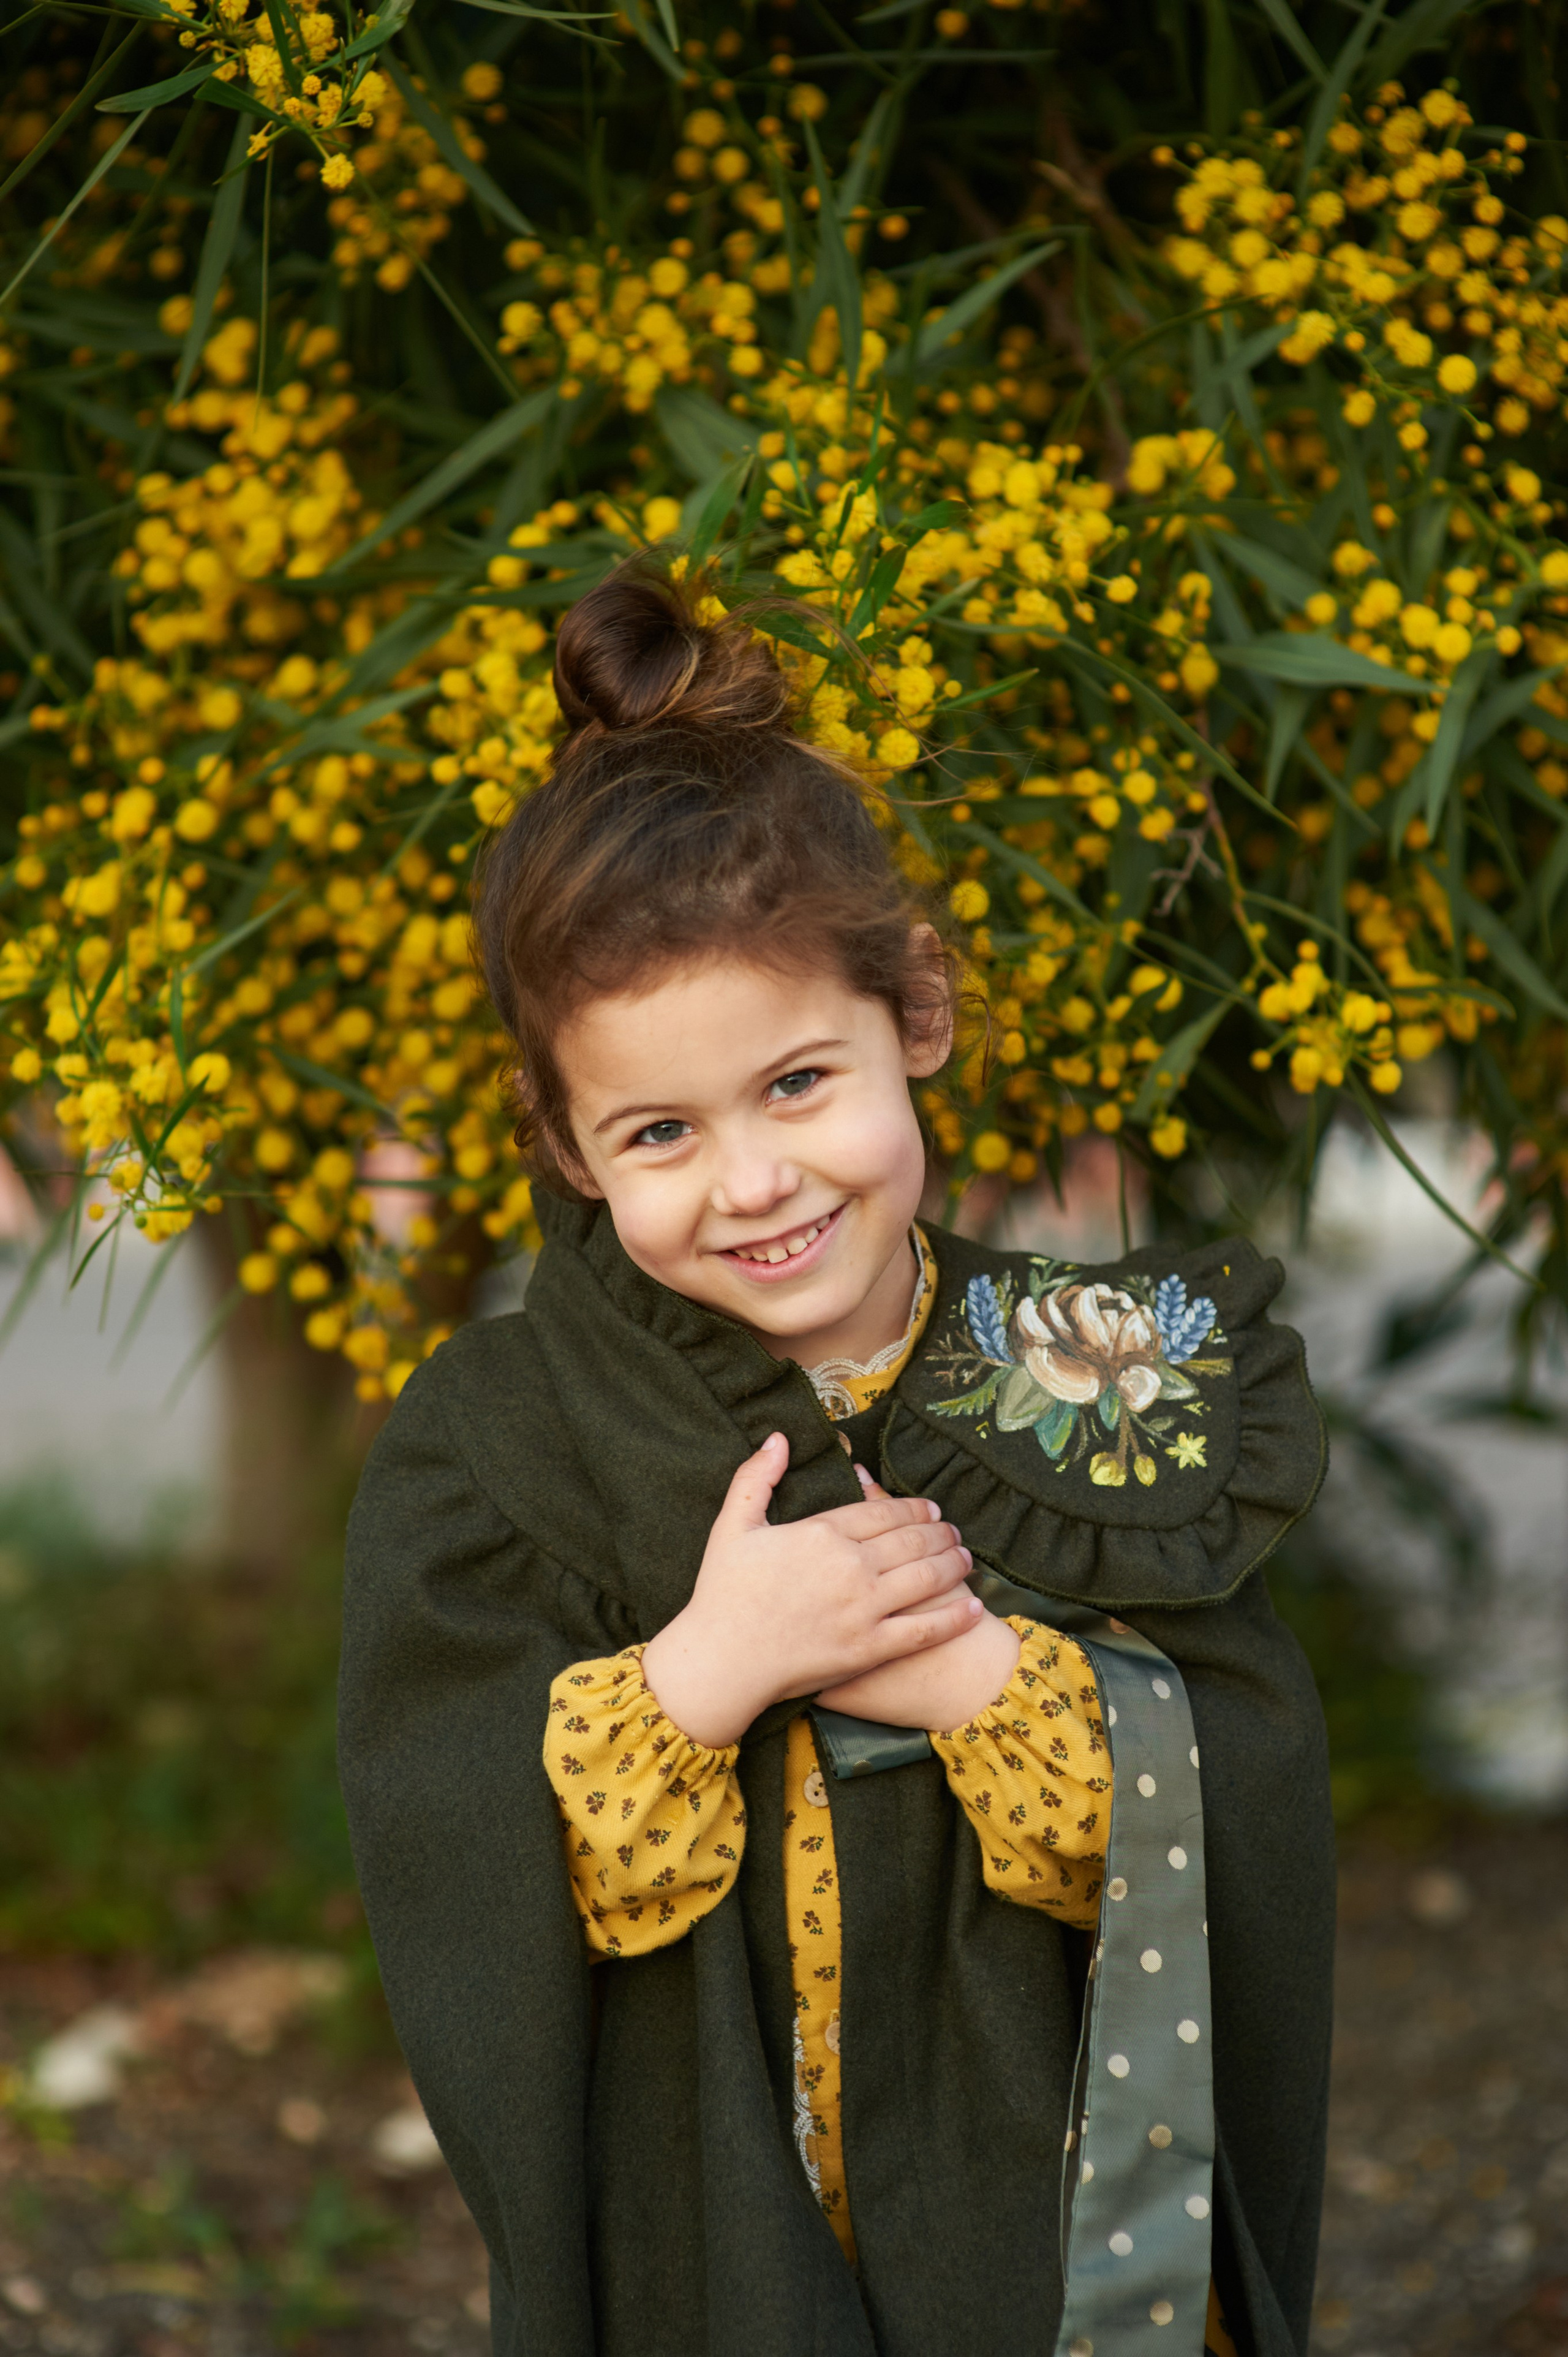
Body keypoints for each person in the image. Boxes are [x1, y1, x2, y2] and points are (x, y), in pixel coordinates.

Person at [337, 565, 1333, 2357]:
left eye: (799, 1082)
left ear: (918, 1010)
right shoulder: (496, 1451)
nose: (753, 1181)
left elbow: (1251, 1793)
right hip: (703, 2258)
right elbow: (448, 1861)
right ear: (564, 1146)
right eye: (659, 1128)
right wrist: (708, 1674)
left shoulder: (1102, 1371)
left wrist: (977, 1675)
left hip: (1047, 2252)